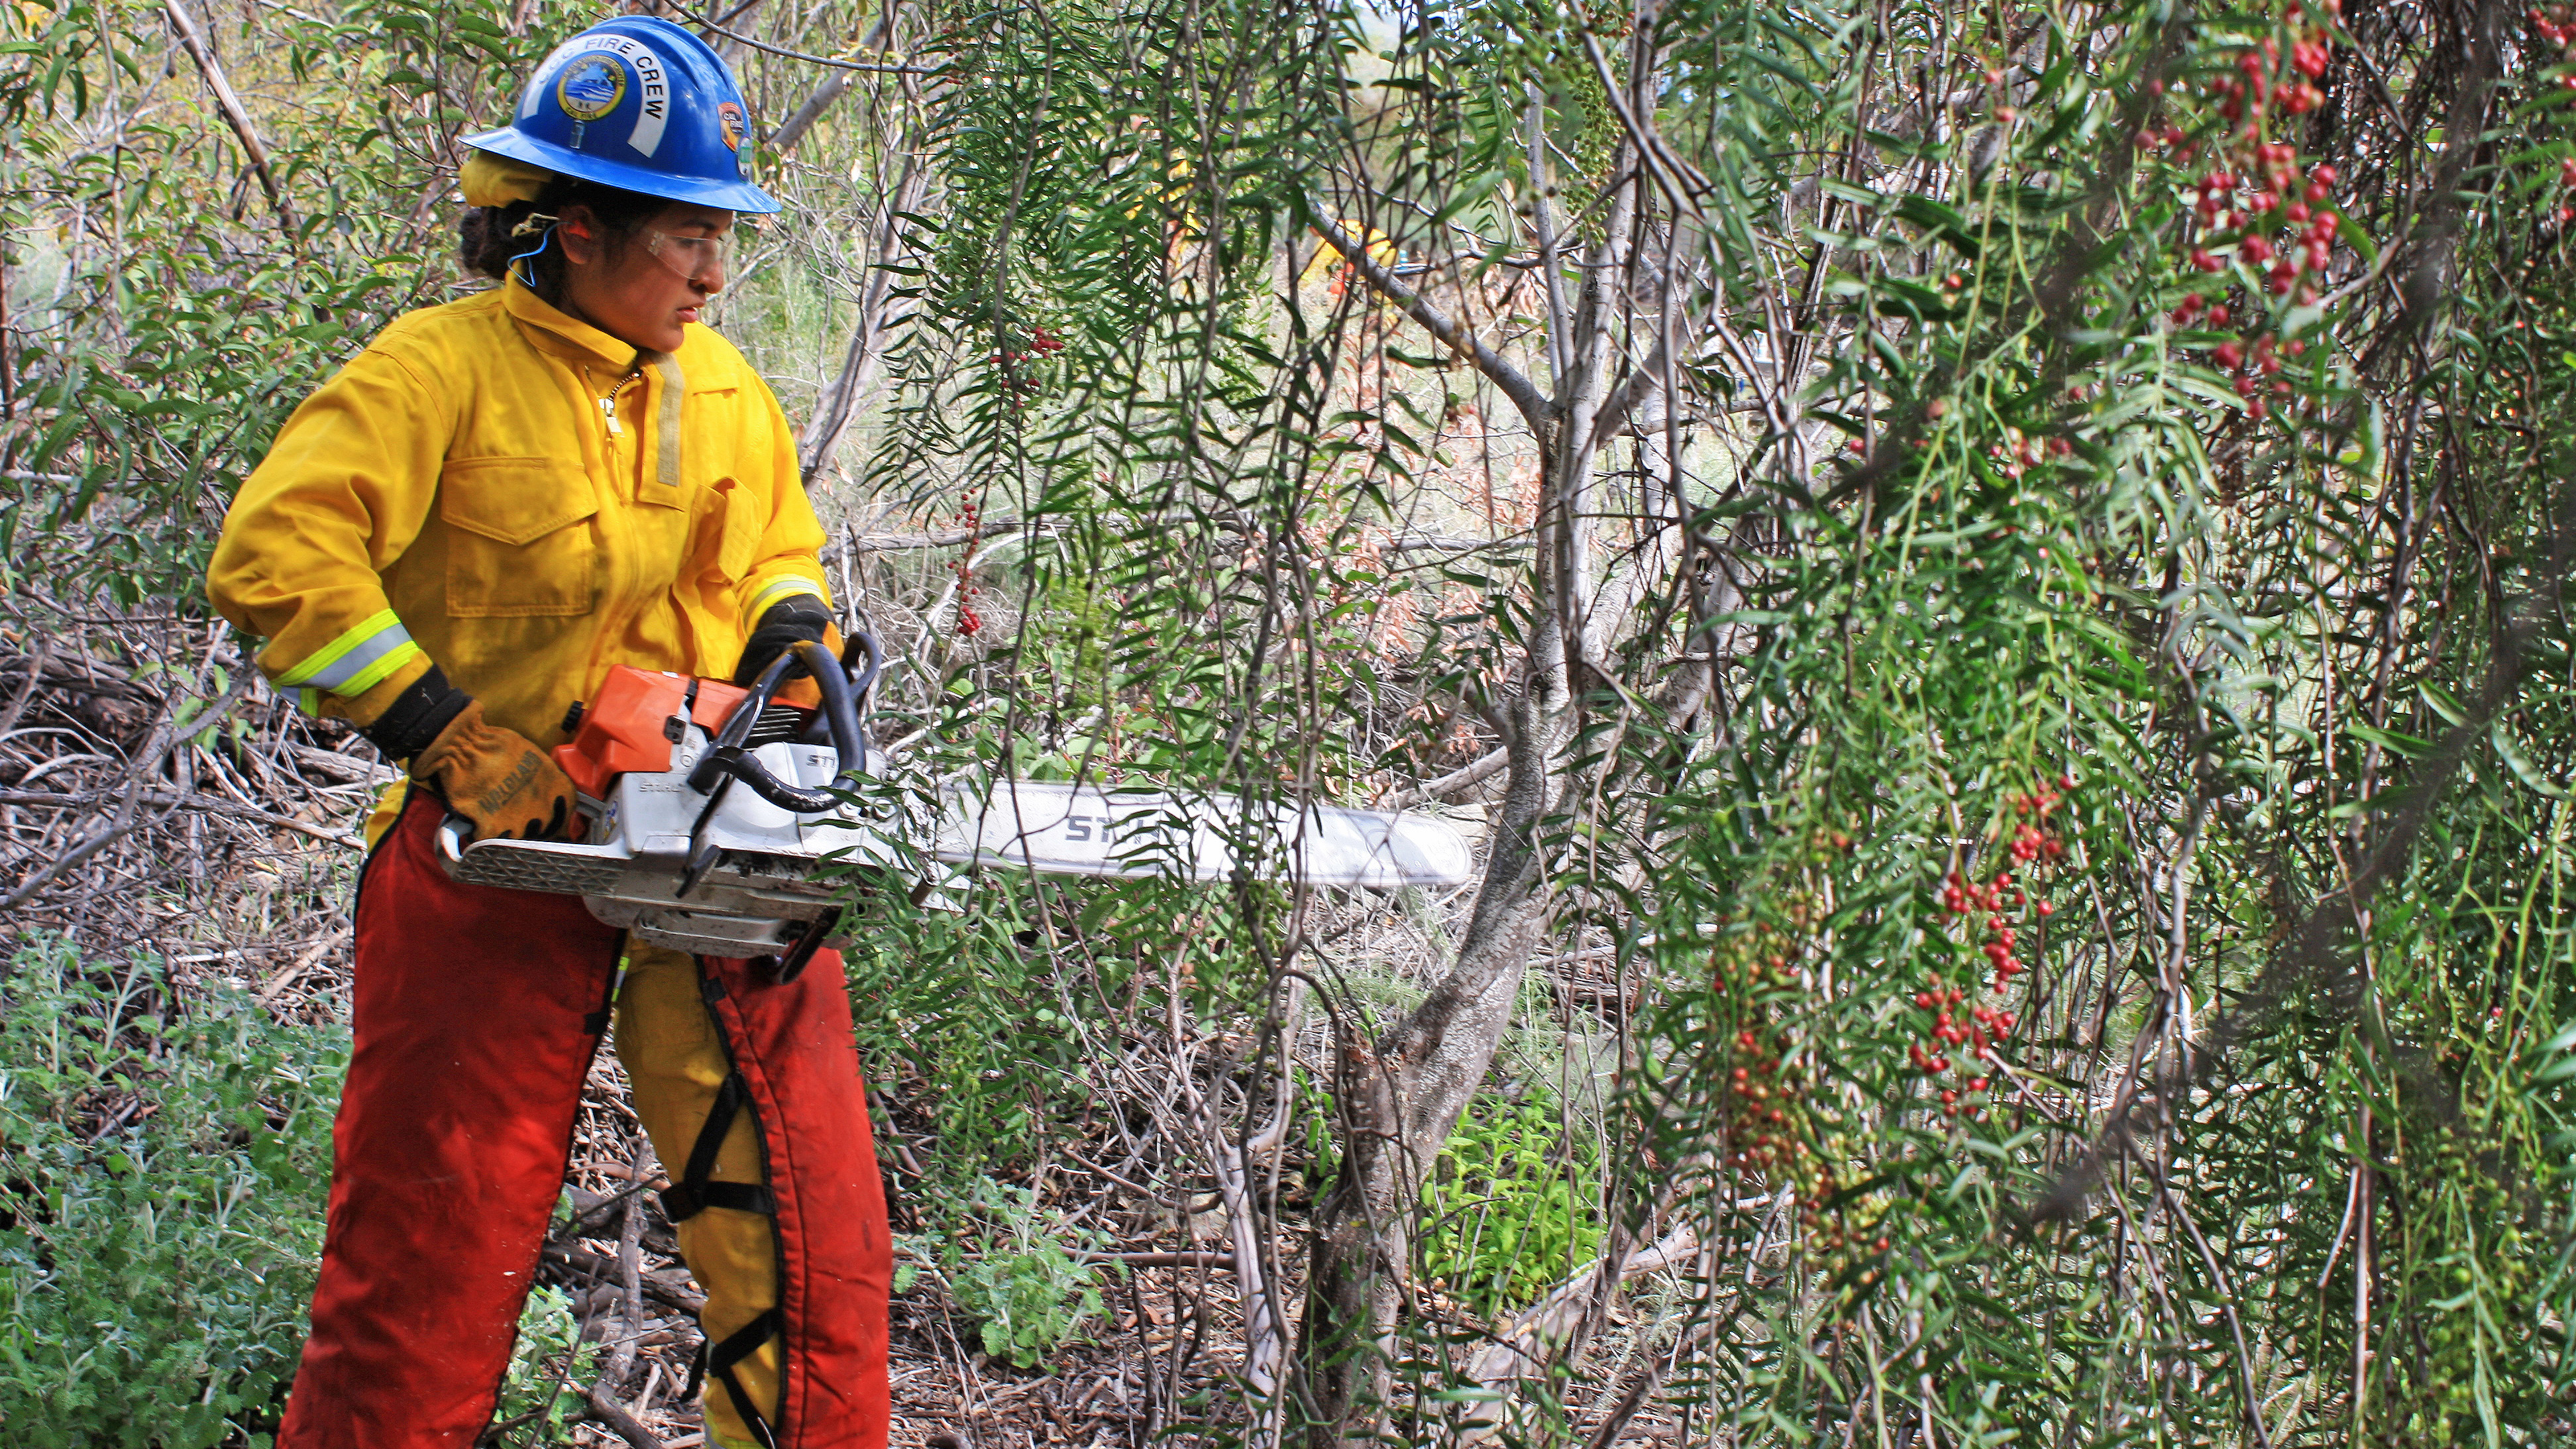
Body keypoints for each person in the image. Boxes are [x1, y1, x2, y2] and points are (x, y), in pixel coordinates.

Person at [207, 18, 889, 1449]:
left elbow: (779, 546)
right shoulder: (435, 373)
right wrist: (444, 733)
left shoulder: (724, 386)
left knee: (818, 1263)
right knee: (422, 1283)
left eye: (723, 239)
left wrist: (789, 632)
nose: (712, 274)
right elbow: (279, 554)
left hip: (717, 860)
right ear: (577, 231)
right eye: (684, 240)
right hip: (491, 858)